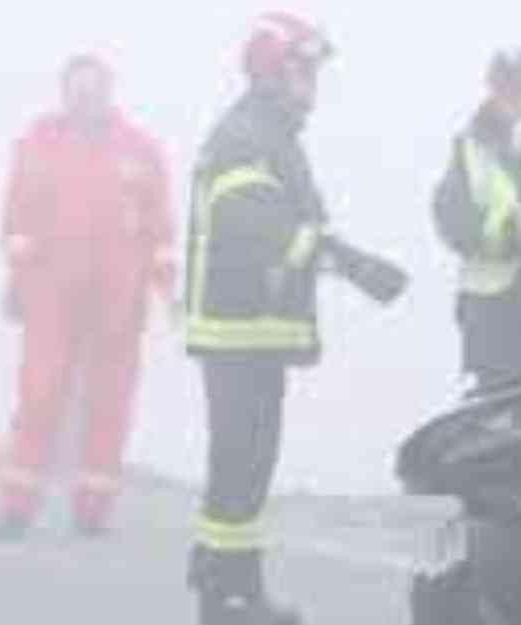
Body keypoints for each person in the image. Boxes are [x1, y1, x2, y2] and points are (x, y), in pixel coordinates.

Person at [183, 12, 335, 625]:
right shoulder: (246, 135)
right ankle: (222, 598)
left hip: (257, 332)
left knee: (249, 465)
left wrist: (317, 245)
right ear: (272, 71)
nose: (312, 83)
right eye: (303, 70)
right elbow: (253, 223)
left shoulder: (272, 133)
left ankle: (237, 588)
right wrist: (328, 251)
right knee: (238, 465)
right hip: (236, 331)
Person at [0, 54, 175, 540]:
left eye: (94, 90)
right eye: (77, 90)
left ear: (108, 93)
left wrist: (167, 290)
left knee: (109, 403)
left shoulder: (141, 150)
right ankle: (16, 508)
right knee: (39, 397)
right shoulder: (39, 142)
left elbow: (160, 228)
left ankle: (93, 509)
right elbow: (15, 216)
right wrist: (20, 276)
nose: (85, 99)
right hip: (51, 295)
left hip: (118, 301)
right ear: (65, 92)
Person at [432, 49, 521, 393]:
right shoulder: (471, 145)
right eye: (506, 89)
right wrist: (509, 235)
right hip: (492, 313)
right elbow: (451, 220)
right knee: (497, 412)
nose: (515, 99)